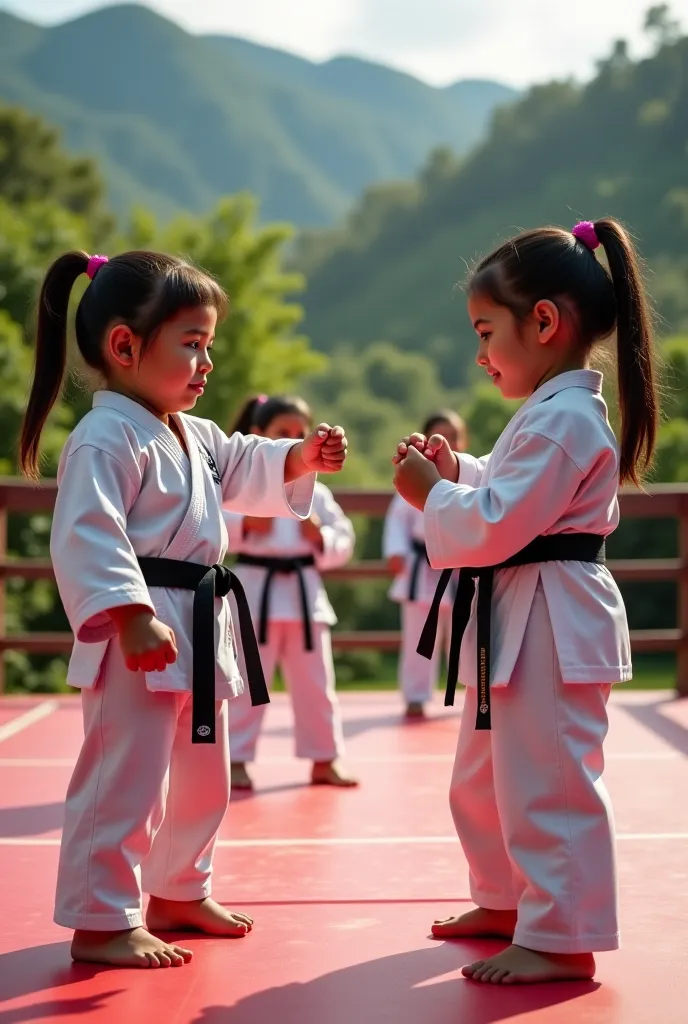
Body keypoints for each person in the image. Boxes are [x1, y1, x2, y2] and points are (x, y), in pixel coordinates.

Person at [19, 250, 347, 970]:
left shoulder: (191, 433)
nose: (205, 363)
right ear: (124, 346)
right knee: (125, 776)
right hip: (140, 621)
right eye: (191, 344)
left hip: (199, 618)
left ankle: (178, 888)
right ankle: (103, 918)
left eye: (209, 346)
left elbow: (241, 464)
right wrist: (129, 615)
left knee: (205, 770)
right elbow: (88, 533)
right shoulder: (104, 437)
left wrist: (297, 460)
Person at [391, 218, 658, 985]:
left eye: (486, 331)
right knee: (485, 776)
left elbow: (503, 521)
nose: (479, 354)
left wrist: (433, 493)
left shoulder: (567, 417)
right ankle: (507, 900)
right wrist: (462, 471)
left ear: (544, 322)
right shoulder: (551, 412)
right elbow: (512, 492)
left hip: (552, 616)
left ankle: (561, 934)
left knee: (549, 779)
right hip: (520, 613)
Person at [224, 394, 358, 790]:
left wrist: (322, 538)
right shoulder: (239, 487)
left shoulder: (317, 493)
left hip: (304, 598)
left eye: (300, 434)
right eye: (283, 433)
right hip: (253, 595)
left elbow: (344, 539)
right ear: (257, 435)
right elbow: (211, 526)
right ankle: (234, 759)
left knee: (317, 685)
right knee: (245, 684)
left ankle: (324, 758)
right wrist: (245, 528)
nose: (294, 440)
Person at [383, 411, 467, 718]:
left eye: (456, 435)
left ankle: (472, 691)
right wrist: (396, 551)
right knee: (419, 639)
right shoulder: (412, 478)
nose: (451, 441)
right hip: (421, 569)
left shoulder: (468, 477)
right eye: (443, 435)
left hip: (459, 569)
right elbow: (397, 519)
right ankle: (416, 695)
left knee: (464, 636)